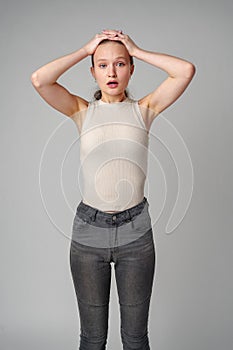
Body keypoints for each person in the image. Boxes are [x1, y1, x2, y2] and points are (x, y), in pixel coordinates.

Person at [31, 29, 195, 350]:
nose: (111, 72)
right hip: (89, 231)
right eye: (102, 65)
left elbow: (185, 70)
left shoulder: (144, 110)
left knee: (135, 339)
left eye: (120, 64)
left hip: (136, 230)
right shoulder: (82, 111)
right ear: (93, 72)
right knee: (93, 339)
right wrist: (85, 49)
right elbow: (40, 80)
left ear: (131, 69)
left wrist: (136, 49)